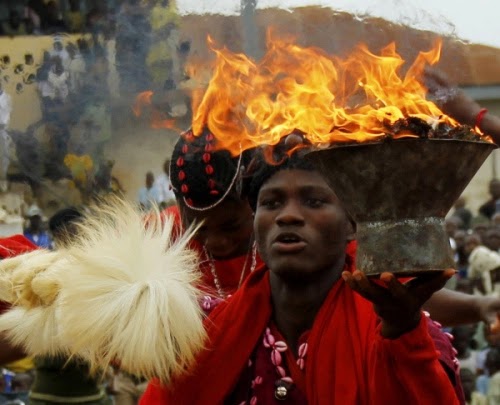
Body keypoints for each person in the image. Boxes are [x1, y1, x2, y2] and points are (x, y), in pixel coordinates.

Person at [141, 145, 461, 403]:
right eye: (272, 202)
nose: (289, 216)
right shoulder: (205, 341)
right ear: (255, 220)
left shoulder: (408, 331)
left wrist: (402, 332)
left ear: (353, 224)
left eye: (313, 201)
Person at [28, 207, 112, 405]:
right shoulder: (43, 275)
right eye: (75, 233)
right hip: (58, 393)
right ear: (59, 238)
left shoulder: (99, 274)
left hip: (81, 392)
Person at [0, 80, 12, 192]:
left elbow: (7, 115)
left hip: (2, 131)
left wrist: (3, 124)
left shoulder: (6, 97)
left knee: (4, 157)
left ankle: (3, 181)